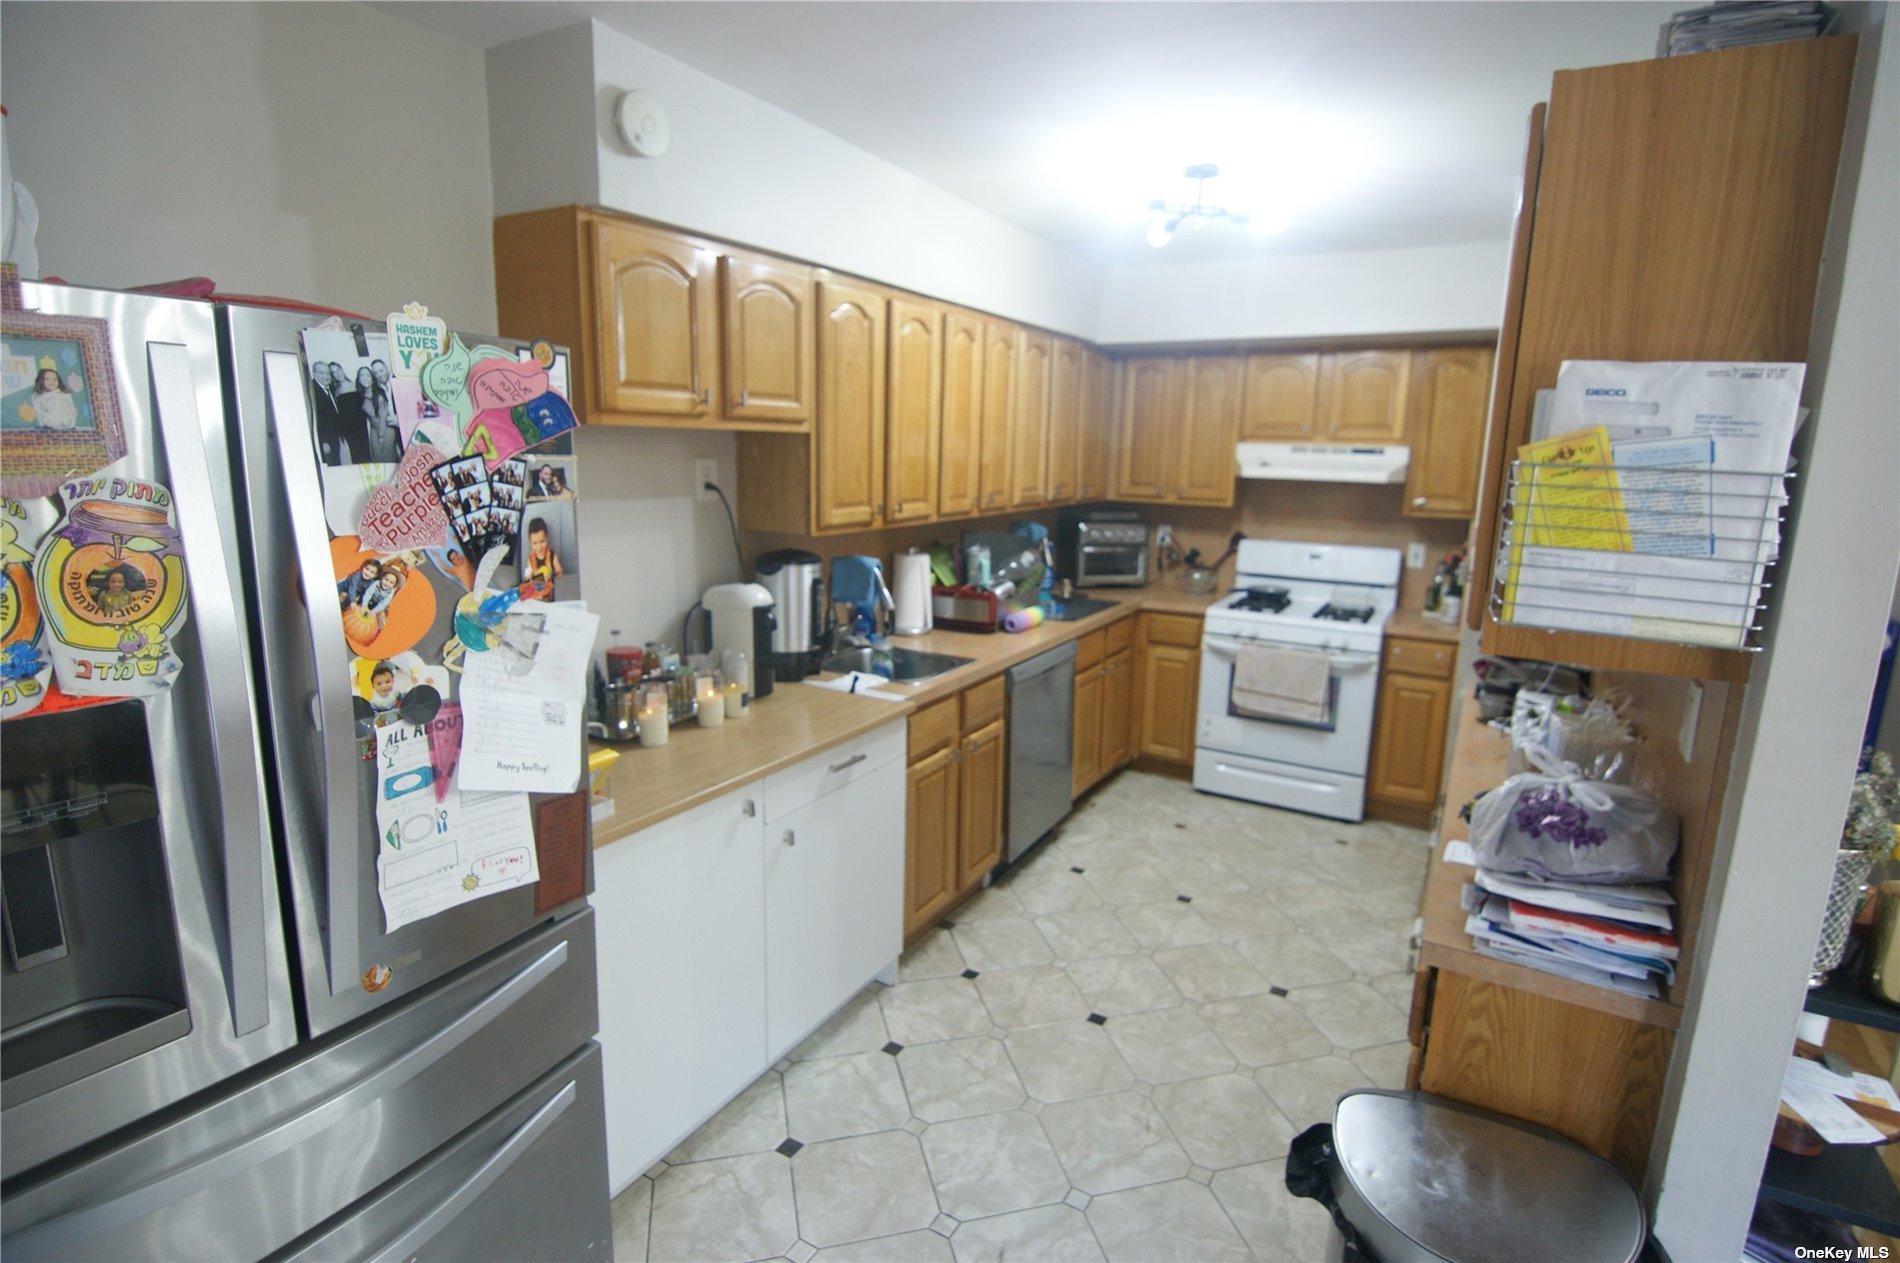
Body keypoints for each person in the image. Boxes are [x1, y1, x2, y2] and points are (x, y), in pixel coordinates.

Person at [357, 366, 400, 463]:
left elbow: (383, 418)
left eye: (368, 376)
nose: (365, 378)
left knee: (387, 459)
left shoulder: (379, 395)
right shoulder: (361, 396)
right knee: (377, 460)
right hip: (374, 431)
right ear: (359, 380)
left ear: (372, 379)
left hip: (386, 429)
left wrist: (381, 436)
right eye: (362, 376)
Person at [333, 361, 370, 463]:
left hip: (361, 425)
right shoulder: (335, 392)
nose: (337, 373)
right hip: (348, 428)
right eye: (334, 372)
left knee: (366, 453)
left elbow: (366, 404)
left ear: (342, 370)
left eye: (338, 370)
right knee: (355, 455)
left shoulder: (356, 385)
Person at [30, 366, 79, 431]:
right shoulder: (37, 395)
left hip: (68, 428)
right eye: (47, 379)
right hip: (49, 429)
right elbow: (37, 411)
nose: (52, 382)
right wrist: (43, 423)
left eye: (55, 379)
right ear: (41, 380)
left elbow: (71, 407)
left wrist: (71, 421)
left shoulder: (64, 394)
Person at [523, 517, 564, 582]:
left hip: (551, 586)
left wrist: (553, 579)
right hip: (537, 588)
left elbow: (560, 572)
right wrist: (530, 578)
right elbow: (528, 577)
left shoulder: (552, 555)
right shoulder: (530, 558)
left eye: (542, 541)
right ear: (530, 541)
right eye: (534, 543)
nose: (539, 548)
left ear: (547, 538)